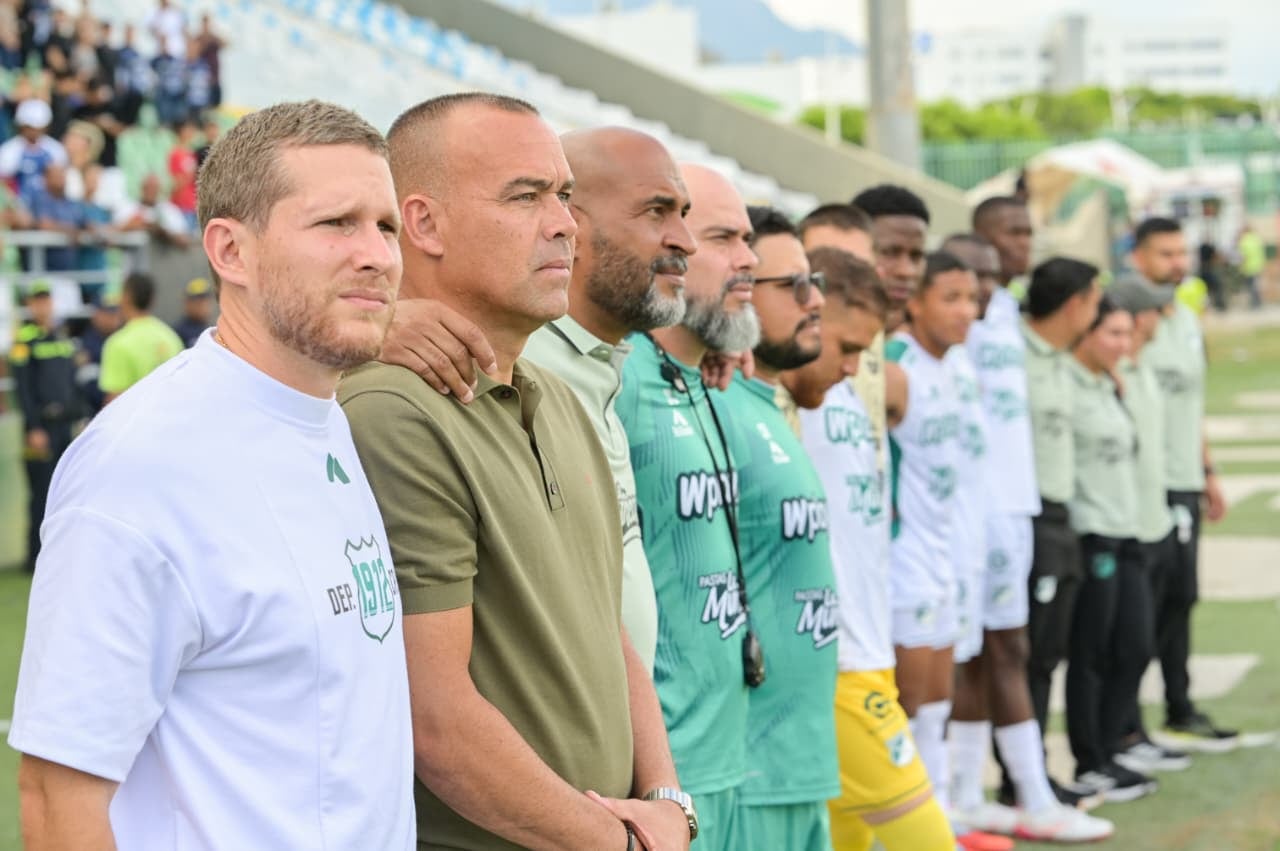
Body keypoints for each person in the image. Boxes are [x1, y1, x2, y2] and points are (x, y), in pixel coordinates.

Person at [8, 98, 415, 850]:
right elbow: (55, 797)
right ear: (230, 251)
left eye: (386, 226)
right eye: (336, 224)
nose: (379, 255)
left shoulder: (325, 414)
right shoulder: (140, 466)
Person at [338, 93, 693, 851]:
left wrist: (666, 800)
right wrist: (621, 840)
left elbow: (609, 626)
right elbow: (437, 718)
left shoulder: (561, 398)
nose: (565, 223)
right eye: (526, 196)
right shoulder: (391, 409)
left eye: (563, 195)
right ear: (422, 224)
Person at [791, 248, 957, 851]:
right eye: (846, 345)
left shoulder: (855, 382)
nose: (857, 362)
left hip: (870, 650)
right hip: (835, 668)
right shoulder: (779, 395)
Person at [616, 163, 759, 850]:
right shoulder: (618, 375)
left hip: (730, 764)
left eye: (748, 238)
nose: (749, 259)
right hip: (662, 783)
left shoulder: (703, 375)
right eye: (725, 238)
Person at [712, 205, 836, 850]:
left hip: (801, 761)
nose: (814, 301)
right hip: (749, 770)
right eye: (792, 285)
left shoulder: (762, 404)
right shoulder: (711, 406)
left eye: (813, 281)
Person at [1133, 217, 1236, 750]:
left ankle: (1179, 705)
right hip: (1142, 486)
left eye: (1180, 253)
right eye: (1164, 254)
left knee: (1181, 597)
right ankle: (1127, 723)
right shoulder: (1127, 322)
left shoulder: (1187, 320)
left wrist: (1208, 472)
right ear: (1137, 258)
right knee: (1139, 608)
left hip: (1184, 483)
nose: (1176, 264)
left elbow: (1190, 406)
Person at [882, 251, 975, 828]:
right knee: (906, 707)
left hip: (944, 554)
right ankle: (897, 829)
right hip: (902, 556)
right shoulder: (893, 364)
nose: (967, 311)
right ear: (914, 302)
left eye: (972, 299)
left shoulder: (953, 368)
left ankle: (939, 820)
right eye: (951, 298)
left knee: (939, 701)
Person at [1063, 295, 1159, 803]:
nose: (1124, 344)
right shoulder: (1068, 386)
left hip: (1130, 532)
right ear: (1086, 332)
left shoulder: (1110, 386)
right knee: (1091, 651)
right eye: (1113, 334)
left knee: (1136, 645)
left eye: (1128, 334)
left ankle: (1111, 746)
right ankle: (1090, 760)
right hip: (1091, 533)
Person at [1109, 276, 1193, 776]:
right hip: (1125, 527)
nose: (1164, 318)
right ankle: (1119, 733)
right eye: (1156, 312)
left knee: (1148, 633)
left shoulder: (1140, 370)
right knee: (1127, 642)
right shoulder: (1114, 371)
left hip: (1155, 519)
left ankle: (1134, 730)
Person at [1020, 257, 1103, 764]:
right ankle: (1023, 776)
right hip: (1030, 518)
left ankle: (1036, 774)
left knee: (1052, 651)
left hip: (1062, 518)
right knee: (1031, 654)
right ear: (1076, 305)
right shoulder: (1013, 358)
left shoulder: (1060, 360)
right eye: (1094, 303)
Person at [8, 280, 81, 572]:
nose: (43, 306)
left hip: (64, 425)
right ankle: (34, 557)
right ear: (30, 305)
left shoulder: (62, 337)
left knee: (67, 490)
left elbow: (71, 383)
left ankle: (59, 554)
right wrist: (33, 428)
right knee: (41, 492)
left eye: (46, 300)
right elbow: (22, 390)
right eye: (38, 301)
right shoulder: (24, 341)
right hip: (42, 429)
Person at [98, 272, 184, 402]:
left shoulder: (117, 343)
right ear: (152, 299)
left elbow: (114, 401)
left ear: (126, 297)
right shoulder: (170, 337)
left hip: (136, 420)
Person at [23, 161, 92, 272]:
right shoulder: (39, 200)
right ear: (45, 179)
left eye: (62, 175)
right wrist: (71, 231)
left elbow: (85, 223)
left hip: (69, 273)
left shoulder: (71, 203)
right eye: (56, 176)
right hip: (44, 273)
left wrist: (99, 233)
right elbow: (43, 224)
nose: (61, 179)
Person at [0, 99, 69, 197]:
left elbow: (60, 184)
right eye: (29, 127)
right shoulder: (8, 150)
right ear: (21, 126)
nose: (33, 131)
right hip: (18, 203)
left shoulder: (56, 150)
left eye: (38, 127)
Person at [115, 173, 192, 247]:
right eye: (147, 187)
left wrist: (161, 232)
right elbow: (115, 231)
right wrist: (141, 226)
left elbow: (184, 240)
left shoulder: (169, 210)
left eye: (154, 187)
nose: (150, 191)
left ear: (159, 189)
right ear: (142, 187)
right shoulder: (129, 208)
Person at [173, 276, 214, 348]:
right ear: (187, 303)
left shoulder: (212, 330)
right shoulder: (178, 332)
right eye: (198, 303)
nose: (203, 306)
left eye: (205, 301)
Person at [1237, 224, 1265, 310]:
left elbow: (1244, 256)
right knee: (1256, 285)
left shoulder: (1244, 240)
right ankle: (1258, 302)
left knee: (1251, 286)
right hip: (1258, 265)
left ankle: (1254, 303)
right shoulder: (1256, 238)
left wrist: (1241, 266)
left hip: (1249, 267)